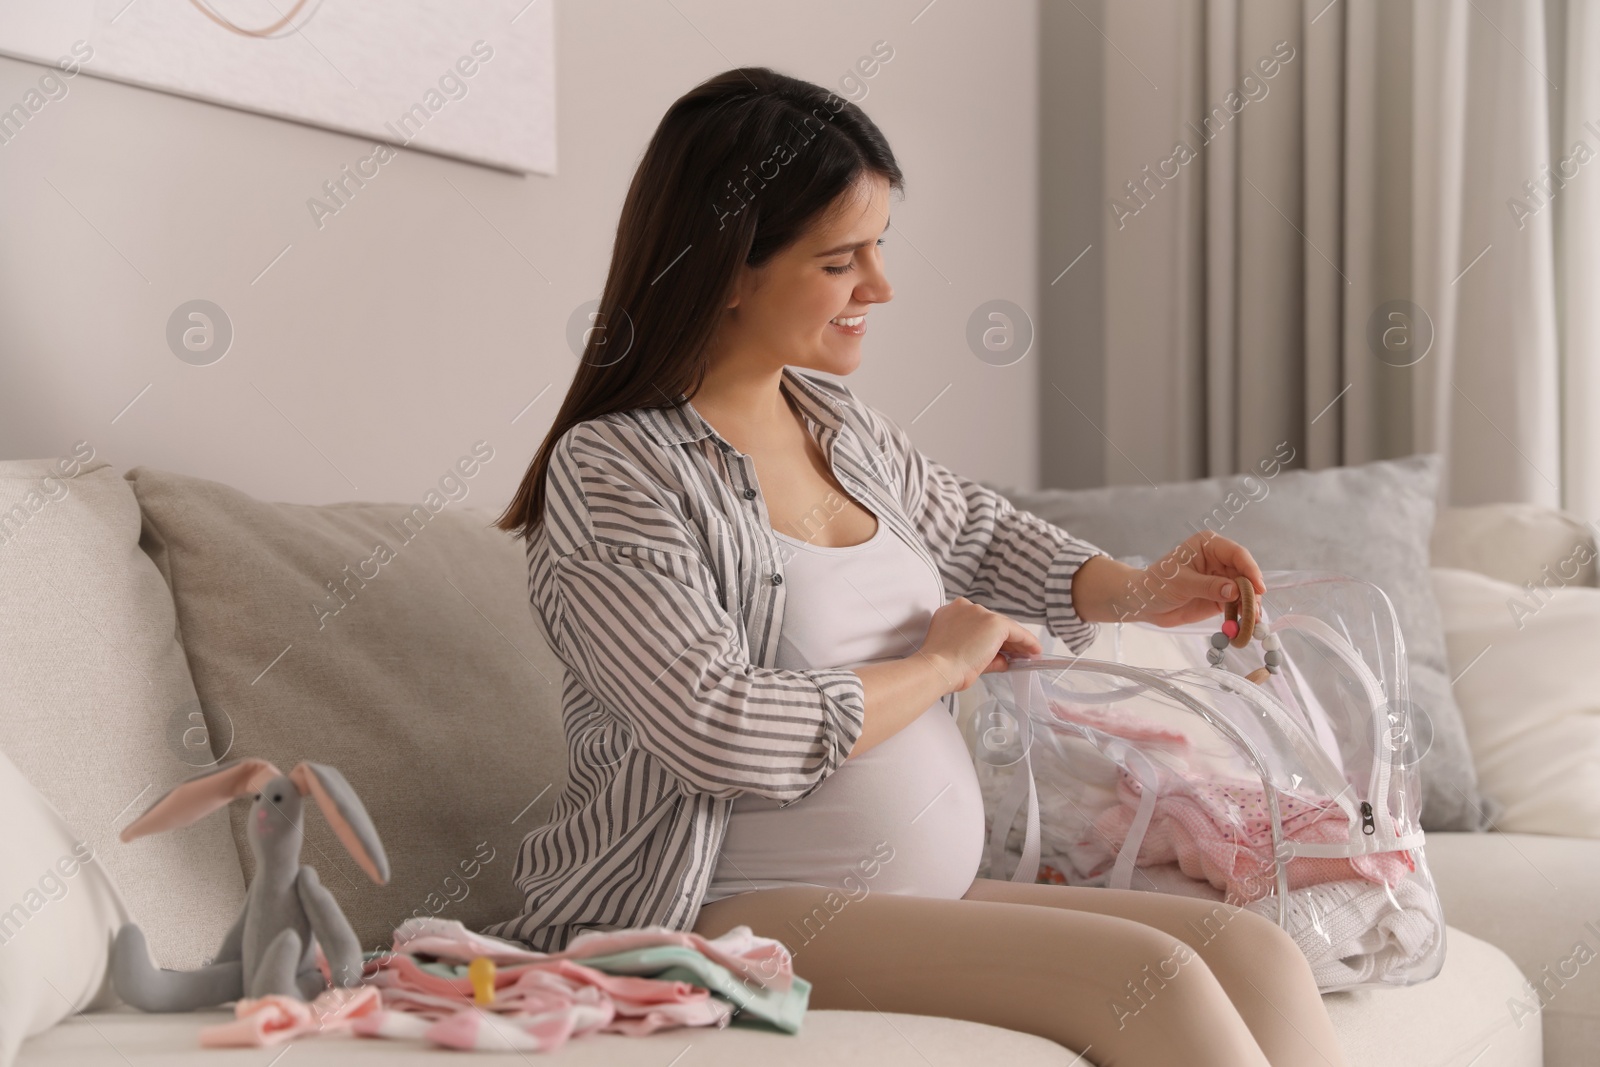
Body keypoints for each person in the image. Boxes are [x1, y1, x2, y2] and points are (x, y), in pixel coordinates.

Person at [488, 66, 1350, 1067]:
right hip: (714, 910)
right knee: (1152, 980)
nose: (880, 287)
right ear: (728, 265)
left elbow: (977, 533)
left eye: (878, 248)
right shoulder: (615, 470)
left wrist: (1137, 589)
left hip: (898, 896)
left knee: (1256, 952)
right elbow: (714, 726)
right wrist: (938, 666)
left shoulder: (834, 423)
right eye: (839, 259)